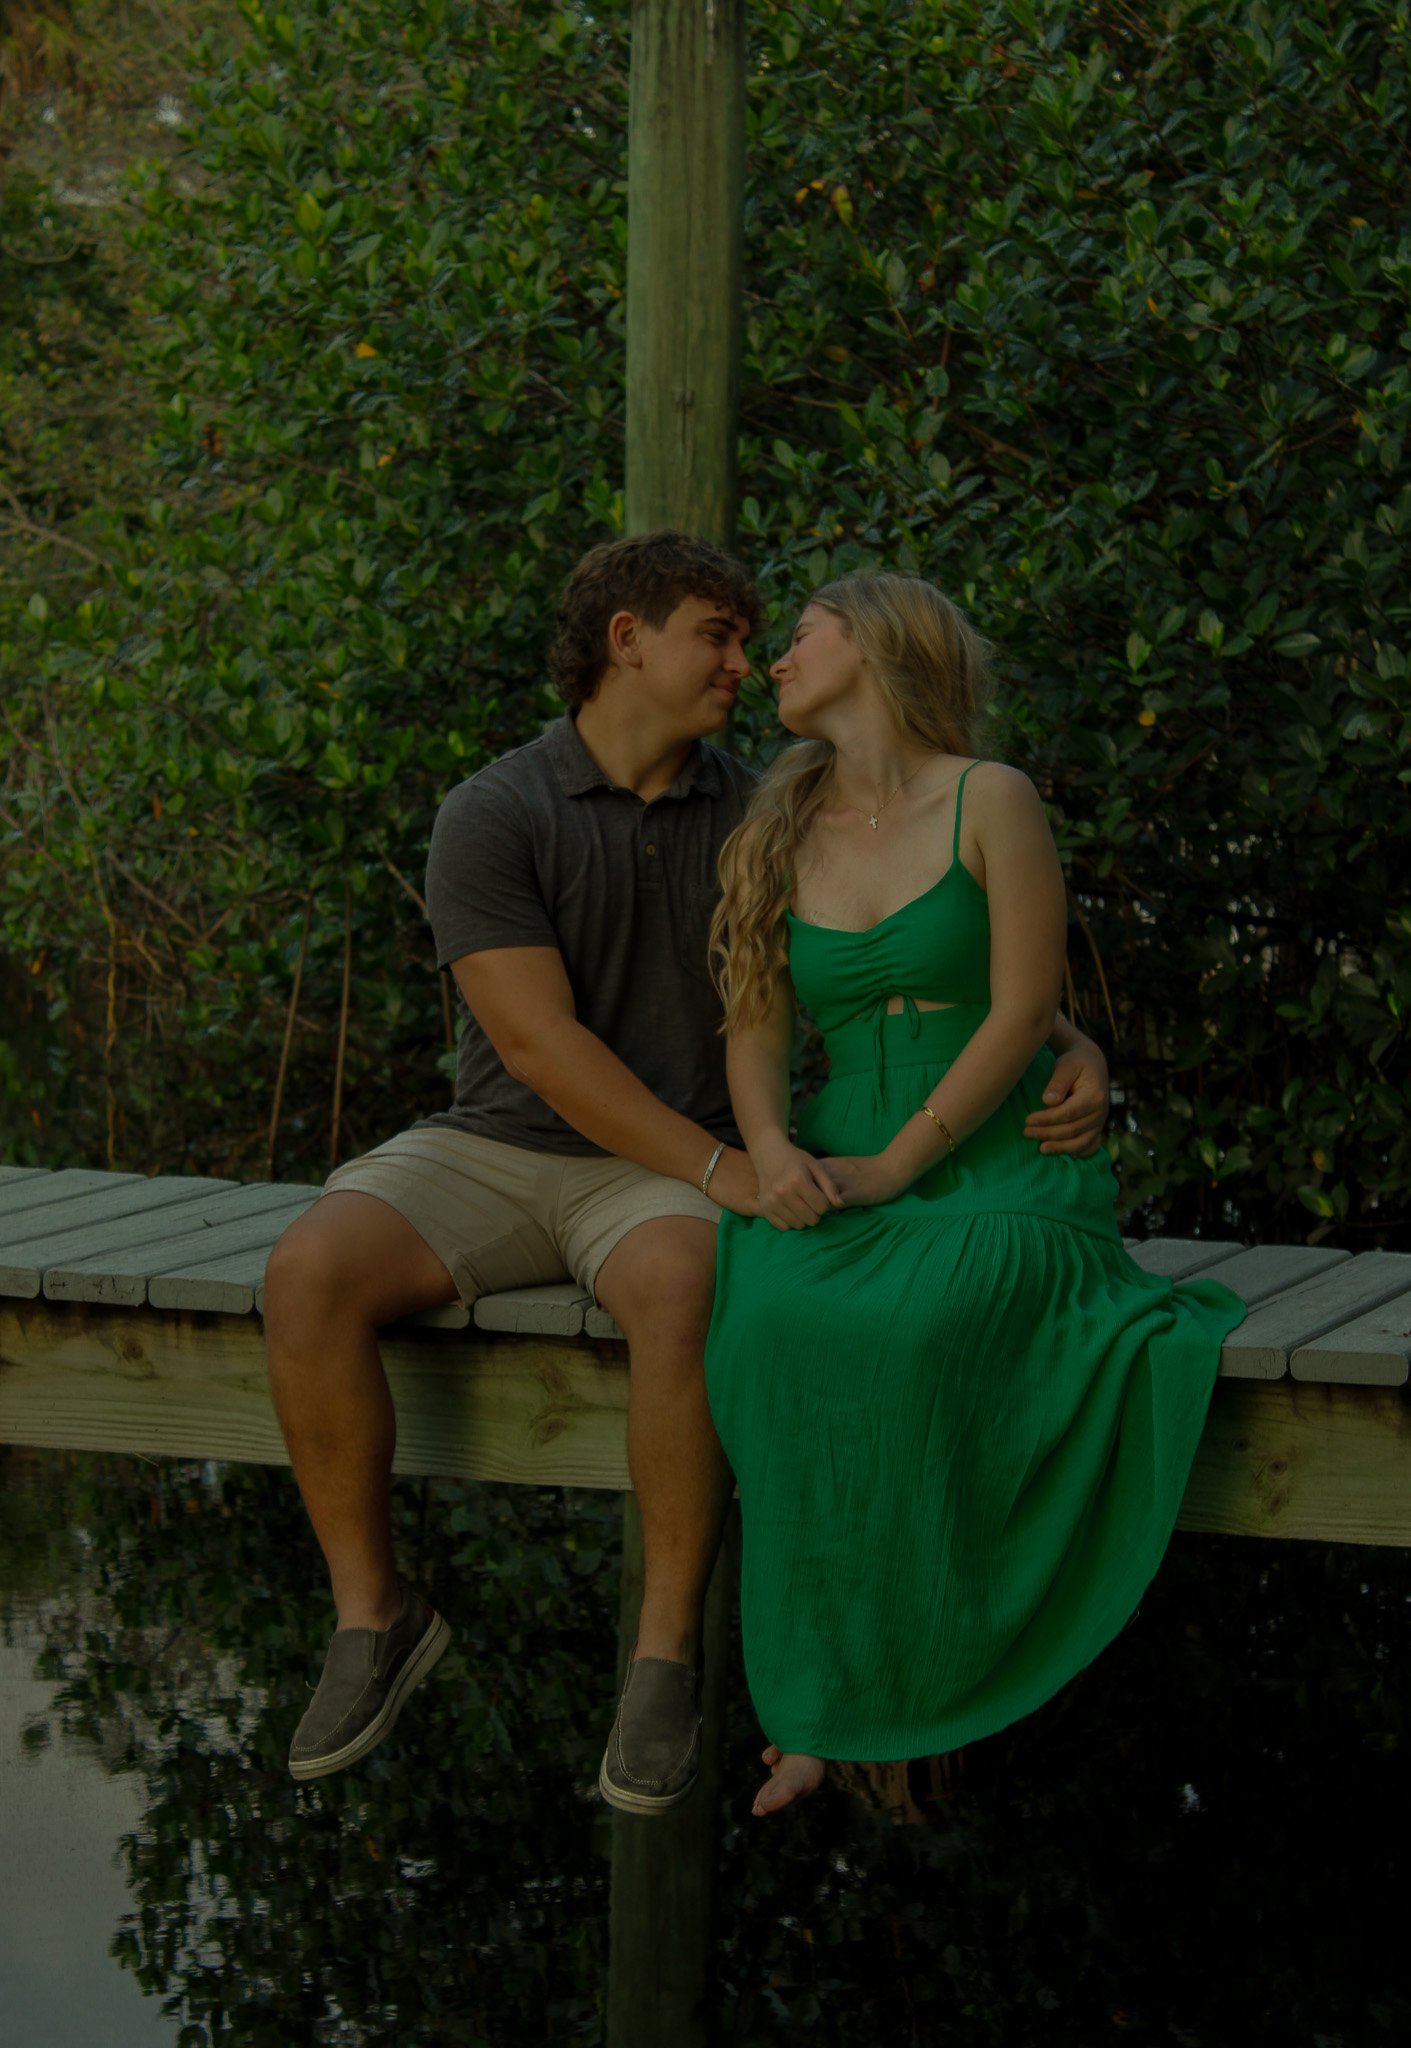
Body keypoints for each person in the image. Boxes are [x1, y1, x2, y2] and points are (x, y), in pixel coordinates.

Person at [261, 531, 1112, 1808]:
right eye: (716, 634)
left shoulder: (763, 804)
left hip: (666, 1173)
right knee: (305, 1264)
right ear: (627, 641)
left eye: (759, 635)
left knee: (679, 1292)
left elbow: (914, 935)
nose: (744, 658)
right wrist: (731, 1163)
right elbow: (538, 1048)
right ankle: (372, 1614)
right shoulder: (494, 811)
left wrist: (1068, 1034)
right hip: (504, 1140)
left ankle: (662, 1660)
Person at [702, 572, 1246, 1818]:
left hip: (997, 1160)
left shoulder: (991, 800)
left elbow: (1022, 1009)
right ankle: (812, 1703)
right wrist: (772, 1146)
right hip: (833, 1150)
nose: (773, 660)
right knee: (775, 1329)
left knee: (921, 1327)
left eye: (797, 635)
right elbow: (754, 1027)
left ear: (879, 641)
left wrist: (904, 1162)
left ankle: (916, 1679)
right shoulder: (774, 825)